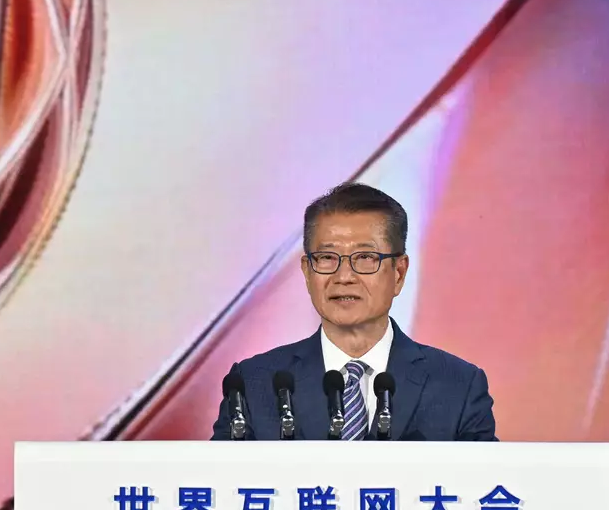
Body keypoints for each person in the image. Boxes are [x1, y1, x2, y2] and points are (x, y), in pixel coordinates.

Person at [211, 182, 497, 441]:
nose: (344, 276)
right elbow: (216, 480)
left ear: (398, 273)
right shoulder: (253, 384)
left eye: (365, 257)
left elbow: (488, 479)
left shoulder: (458, 386)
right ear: (307, 272)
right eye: (326, 257)